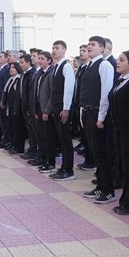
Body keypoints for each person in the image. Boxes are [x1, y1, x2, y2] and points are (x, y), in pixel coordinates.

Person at [80, 36, 117, 204]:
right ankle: (100, 186)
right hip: (88, 113)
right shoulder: (88, 66)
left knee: (103, 153)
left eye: (93, 44)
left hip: (98, 114)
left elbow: (105, 93)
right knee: (96, 152)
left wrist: (101, 117)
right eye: (88, 44)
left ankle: (108, 190)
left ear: (102, 49)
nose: (89, 47)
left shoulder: (104, 65)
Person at [108, 50, 129, 214]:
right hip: (118, 130)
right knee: (123, 165)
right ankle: (125, 200)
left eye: (121, 60)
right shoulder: (120, 81)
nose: (118, 62)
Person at [44, 41, 77, 180]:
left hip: (63, 109)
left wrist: (66, 108)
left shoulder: (66, 66)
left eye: (57, 48)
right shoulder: (56, 67)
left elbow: (69, 88)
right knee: (61, 139)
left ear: (64, 50)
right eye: (53, 48)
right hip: (57, 108)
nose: (54, 50)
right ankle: (63, 167)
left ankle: (68, 170)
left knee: (65, 140)